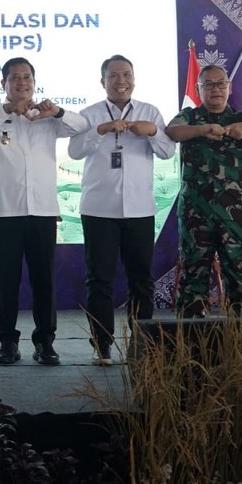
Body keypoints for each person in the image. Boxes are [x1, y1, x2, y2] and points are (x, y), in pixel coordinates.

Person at [0, 57, 86, 365]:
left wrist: (56, 111)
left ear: (34, 82)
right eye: (15, 77)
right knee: (7, 281)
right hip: (5, 211)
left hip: (43, 210)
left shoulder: (47, 116)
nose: (22, 82)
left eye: (27, 77)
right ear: (4, 84)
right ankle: (7, 343)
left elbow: (81, 126)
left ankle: (45, 342)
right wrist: (8, 109)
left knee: (43, 280)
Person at [68, 55, 175, 363]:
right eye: (113, 75)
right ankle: (102, 344)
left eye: (126, 74)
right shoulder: (89, 115)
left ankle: (141, 345)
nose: (121, 80)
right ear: (103, 81)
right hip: (99, 209)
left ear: (134, 79)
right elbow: (74, 151)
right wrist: (100, 130)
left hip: (140, 210)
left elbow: (168, 151)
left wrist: (153, 132)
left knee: (141, 280)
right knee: (99, 280)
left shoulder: (149, 112)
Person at [166, 65, 242, 316]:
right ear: (199, 89)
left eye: (220, 83)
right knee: (193, 274)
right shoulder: (190, 116)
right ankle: (191, 334)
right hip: (196, 213)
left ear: (229, 87)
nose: (215, 89)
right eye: (208, 84)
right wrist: (202, 130)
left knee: (240, 274)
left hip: (234, 213)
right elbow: (172, 132)